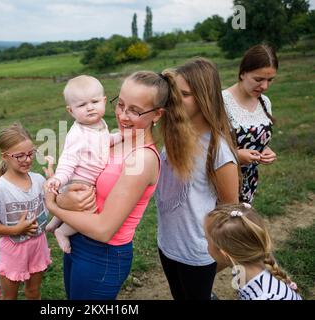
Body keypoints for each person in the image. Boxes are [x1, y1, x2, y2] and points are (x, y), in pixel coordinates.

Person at [45, 70, 197, 300]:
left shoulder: (142, 159)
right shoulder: (115, 140)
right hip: (77, 243)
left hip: (101, 255)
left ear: (157, 114)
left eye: (135, 110)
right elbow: (83, 178)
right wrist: (63, 194)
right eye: (121, 104)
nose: (123, 116)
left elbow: (104, 230)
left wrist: (54, 205)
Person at [155, 58, 239, 300]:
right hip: (167, 243)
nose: (176, 100)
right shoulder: (174, 137)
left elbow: (229, 207)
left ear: (205, 97)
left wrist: (216, 251)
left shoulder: (217, 149)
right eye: (175, 93)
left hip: (196, 251)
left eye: (186, 94)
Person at [45, 75, 121, 253]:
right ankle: (62, 232)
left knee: (74, 209)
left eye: (94, 101)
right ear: (71, 111)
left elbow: (102, 141)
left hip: (85, 180)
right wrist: (59, 178)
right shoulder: (77, 134)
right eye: (81, 105)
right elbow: (67, 160)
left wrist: (119, 137)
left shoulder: (99, 124)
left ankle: (55, 220)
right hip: (79, 183)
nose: (90, 108)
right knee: (89, 211)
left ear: (103, 101)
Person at [0, 122, 52, 300]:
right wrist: (15, 230)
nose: (27, 159)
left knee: (33, 292)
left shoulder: (38, 180)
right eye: (20, 156)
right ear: (5, 157)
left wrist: (53, 183)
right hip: (13, 250)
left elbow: (54, 204)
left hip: (38, 245)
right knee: (10, 297)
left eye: (31, 153)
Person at [204, 203, 302, 300]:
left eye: (207, 240)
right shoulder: (242, 269)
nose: (205, 243)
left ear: (225, 254)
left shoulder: (265, 296)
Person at [222, 44, 278, 203]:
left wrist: (265, 150)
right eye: (258, 79)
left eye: (270, 80)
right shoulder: (220, 102)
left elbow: (252, 140)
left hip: (248, 183)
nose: (265, 86)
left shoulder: (265, 102)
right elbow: (203, 148)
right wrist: (236, 156)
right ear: (242, 73)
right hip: (221, 183)